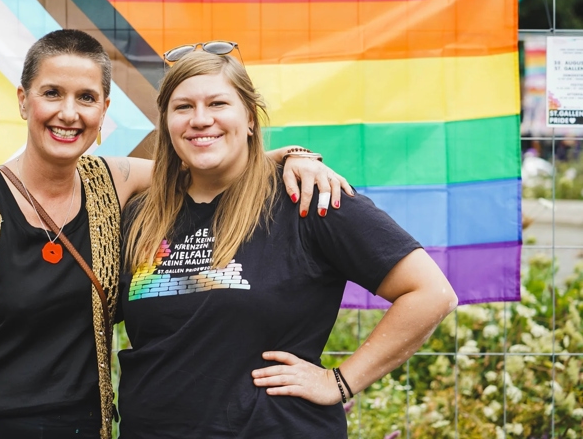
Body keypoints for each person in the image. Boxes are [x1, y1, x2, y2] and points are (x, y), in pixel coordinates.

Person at [0, 30, 351, 439]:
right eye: (52, 93)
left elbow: (201, 163)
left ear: (104, 109)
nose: (69, 113)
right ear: (23, 99)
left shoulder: (113, 183)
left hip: (86, 427)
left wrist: (291, 158)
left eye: (86, 98)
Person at [117, 50, 458, 437]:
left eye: (217, 103)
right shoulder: (142, 215)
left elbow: (431, 292)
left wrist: (340, 382)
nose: (200, 119)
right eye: (183, 107)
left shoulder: (307, 196)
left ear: (248, 117)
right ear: (166, 122)